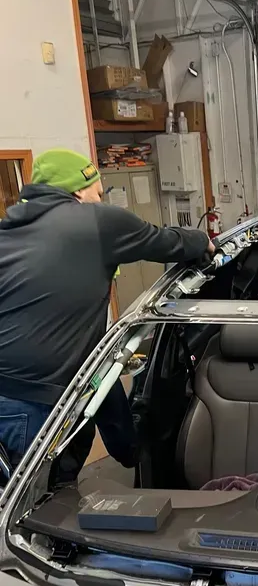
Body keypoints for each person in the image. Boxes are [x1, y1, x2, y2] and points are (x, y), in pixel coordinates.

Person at [0, 148, 214, 471]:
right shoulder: (96, 221)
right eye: (97, 192)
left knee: (14, 506)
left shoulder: (9, 232)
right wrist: (204, 242)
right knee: (44, 506)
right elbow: (164, 241)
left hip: (10, 396)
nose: (101, 201)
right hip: (42, 405)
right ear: (77, 190)